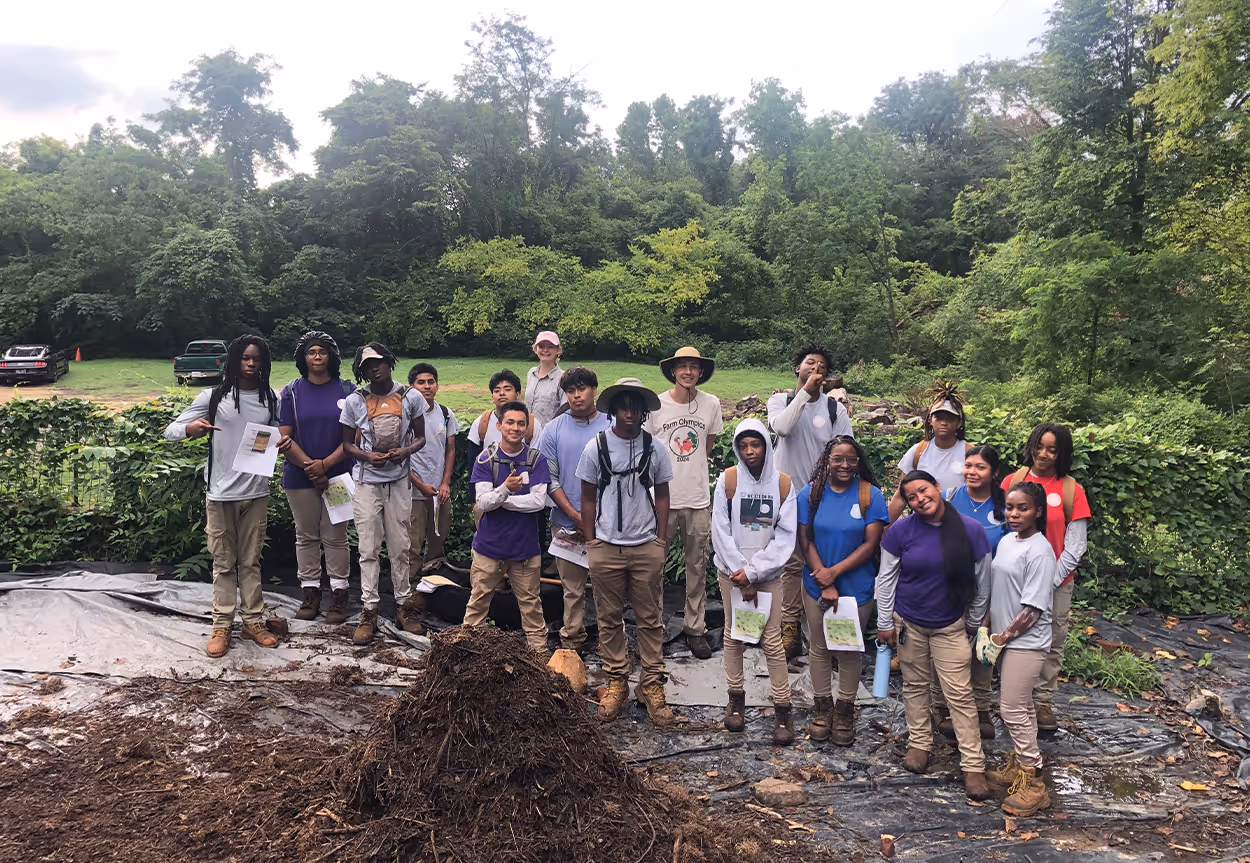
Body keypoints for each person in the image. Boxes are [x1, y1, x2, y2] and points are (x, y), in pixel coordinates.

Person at [876, 470, 994, 801]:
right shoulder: (901, 530)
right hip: (910, 622)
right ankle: (919, 745)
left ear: (938, 488)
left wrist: (971, 622)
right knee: (914, 685)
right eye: (911, 497)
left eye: (924, 491)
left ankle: (973, 765)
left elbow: (982, 582)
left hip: (950, 624)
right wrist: (885, 621)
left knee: (959, 693)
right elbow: (886, 578)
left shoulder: (971, 531)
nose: (919, 499)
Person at [164, 335, 282, 657]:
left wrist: (282, 441)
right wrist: (191, 430)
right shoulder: (214, 397)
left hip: (256, 492)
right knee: (223, 562)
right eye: (245, 357)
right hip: (220, 493)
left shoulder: (270, 398)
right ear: (233, 360)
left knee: (251, 561)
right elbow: (170, 431)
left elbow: (278, 434)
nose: (251, 363)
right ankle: (222, 623)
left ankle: (254, 621)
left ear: (264, 362)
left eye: (257, 358)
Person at [577, 377, 680, 727]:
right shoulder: (596, 448)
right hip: (605, 546)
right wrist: (591, 541)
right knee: (608, 619)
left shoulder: (656, 448)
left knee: (651, 619)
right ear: (614, 409)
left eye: (636, 406)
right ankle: (617, 680)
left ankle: (651, 684)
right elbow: (587, 497)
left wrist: (661, 540)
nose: (631, 412)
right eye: (625, 405)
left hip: (645, 545)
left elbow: (663, 494)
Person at [797, 436, 889, 746]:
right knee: (820, 647)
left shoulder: (870, 495)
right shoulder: (810, 494)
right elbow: (805, 540)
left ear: (859, 461)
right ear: (827, 460)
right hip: (815, 584)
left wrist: (834, 574)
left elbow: (870, 544)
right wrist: (824, 579)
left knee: (849, 649)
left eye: (851, 459)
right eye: (838, 459)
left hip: (856, 588)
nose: (845, 465)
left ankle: (845, 709)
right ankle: (822, 707)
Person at [711, 418, 798, 744]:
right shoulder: (728, 480)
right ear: (738, 447)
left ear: (766, 445)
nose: (750, 451)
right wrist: (740, 572)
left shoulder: (784, 485)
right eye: (744, 446)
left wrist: (756, 571)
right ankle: (735, 701)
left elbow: (785, 536)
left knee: (772, 642)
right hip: (732, 575)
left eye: (756, 444)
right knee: (734, 636)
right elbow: (720, 529)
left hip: (769, 577)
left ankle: (782, 709)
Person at [1000, 422, 1092, 733]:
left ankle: (1041, 700)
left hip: (1056, 581)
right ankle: (1009, 694)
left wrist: (1050, 579)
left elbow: (1076, 543)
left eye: (1052, 449)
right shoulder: (1013, 481)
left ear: (1062, 453)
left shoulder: (1070, 489)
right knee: (1006, 630)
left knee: (1052, 638)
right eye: (1039, 446)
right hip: (1012, 576)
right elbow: (1001, 527)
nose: (1044, 454)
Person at [767, 342, 854, 660]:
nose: (815, 368)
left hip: (824, 498)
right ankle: (790, 632)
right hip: (787, 497)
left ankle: (829, 635)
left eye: (821, 365)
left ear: (828, 375)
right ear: (797, 369)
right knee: (791, 566)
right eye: (809, 363)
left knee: (827, 563)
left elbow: (847, 452)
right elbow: (783, 428)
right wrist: (804, 393)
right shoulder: (781, 400)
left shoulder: (835, 410)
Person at [340, 343, 427, 645]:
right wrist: (366, 457)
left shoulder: (410, 396)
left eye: (378, 362)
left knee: (401, 544)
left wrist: (404, 451)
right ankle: (369, 609)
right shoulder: (355, 401)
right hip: (366, 482)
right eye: (367, 366)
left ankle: (404, 605)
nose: (374, 368)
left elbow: (421, 437)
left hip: (399, 482)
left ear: (389, 362)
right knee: (368, 547)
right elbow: (347, 445)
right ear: (360, 371)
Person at [979, 481, 1057, 817]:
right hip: (1004, 638)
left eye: (1022, 508)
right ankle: (1019, 766)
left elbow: (1033, 609)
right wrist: (987, 626)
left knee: (1011, 708)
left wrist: (1001, 637)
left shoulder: (1040, 551)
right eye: (1010, 507)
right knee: (1019, 707)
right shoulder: (1009, 541)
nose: (1013, 514)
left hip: (1025, 642)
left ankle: (1034, 780)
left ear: (1038, 512)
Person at [647, 346, 723, 660]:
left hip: (697, 499)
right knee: (653, 567)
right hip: (662, 499)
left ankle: (695, 628)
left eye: (694, 367)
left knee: (697, 566)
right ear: (673, 371)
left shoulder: (711, 404)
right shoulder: (657, 406)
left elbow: (706, 446)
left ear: (700, 371)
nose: (688, 372)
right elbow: (649, 450)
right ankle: (653, 628)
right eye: (683, 367)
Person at [931, 444, 1010, 739]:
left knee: (981, 648)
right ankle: (940, 704)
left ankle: (980, 707)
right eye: (968, 465)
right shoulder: (949, 499)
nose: (972, 472)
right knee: (943, 645)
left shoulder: (1003, 506)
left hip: (990, 588)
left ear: (994, 473)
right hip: (948, 587)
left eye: (980, 467)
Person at [277, 332, 355, 625]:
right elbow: (285, 436)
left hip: (339, 476)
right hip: (299, 477)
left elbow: (355, 436)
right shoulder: (292, 392)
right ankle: (310, 593)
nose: (317, 356)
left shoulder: (348, 390)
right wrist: (311, 466)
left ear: (332, 356)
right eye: (311, 352)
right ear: (303, 358)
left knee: (336, 536)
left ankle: (339, 594)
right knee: (306, 535)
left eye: (323, 351)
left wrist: (326, 465)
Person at [462, 401, 553, 655]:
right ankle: (469, 653)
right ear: (499, 426)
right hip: (489, 546)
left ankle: (539, 656)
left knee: (531, 606)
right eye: (510, 422)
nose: (515, 428)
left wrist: (501, 498)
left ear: (527, 428)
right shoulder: (486, 458)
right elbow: (482, 502)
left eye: (521, 423)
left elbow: (537, 503)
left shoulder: (536, 459)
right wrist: (504, 489)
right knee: (478, 603)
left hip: (525, 548)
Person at [536, 366, 612, 652]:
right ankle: (572, 639)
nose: (577, 395)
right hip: (565, 522)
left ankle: (610, 641)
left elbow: (618, 477)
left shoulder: (611, 426)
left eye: (582, 389)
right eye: (570, 391)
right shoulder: (554, 429)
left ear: (594, 389)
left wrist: (594, 518)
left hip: (607, 523)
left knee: (608, 589)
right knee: (572, 588)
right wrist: (576, 516)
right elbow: (549, 479)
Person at [889, 385, 972, 522]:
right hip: (923, 525)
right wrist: (885, 529)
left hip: (960, 526)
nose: (944, 423)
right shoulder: (918, 452)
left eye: (950, 419)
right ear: (930, 420)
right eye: (939, 418)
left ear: (959, 423)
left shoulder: (969, 453)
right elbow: (901, 496)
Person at [407, 363, 456, 578]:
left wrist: (445, 483)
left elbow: (450, 449)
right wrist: (419, 485)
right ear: (411, 387)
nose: (427, 386)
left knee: (439, 538)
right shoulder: (405, 417)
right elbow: (399, 458)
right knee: (412, 543)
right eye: (421, 382)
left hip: (440, 493)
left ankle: (432, 583)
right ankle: (409, 588)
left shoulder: (445, 413)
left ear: (437, 385)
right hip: (413, 492)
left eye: (431, 382)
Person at [468, 369, 541, 498]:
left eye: (507, 389)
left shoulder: (532, 424)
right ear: (492, 396)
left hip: (525, 495)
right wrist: (474, 498)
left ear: (518, 394)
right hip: (489, 495)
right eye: (497, 390)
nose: (502, 393)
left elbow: (537, 462)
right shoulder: (481, 423)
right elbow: (473, 462)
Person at [525, 330, 566, 428]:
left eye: (550, 347)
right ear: (535, 349)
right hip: (526, 434)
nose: (545, 350)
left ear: (558, 350)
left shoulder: (563, 378)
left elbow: (564, 412)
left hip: (548, 436)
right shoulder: (531, 373)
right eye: (541, 346)